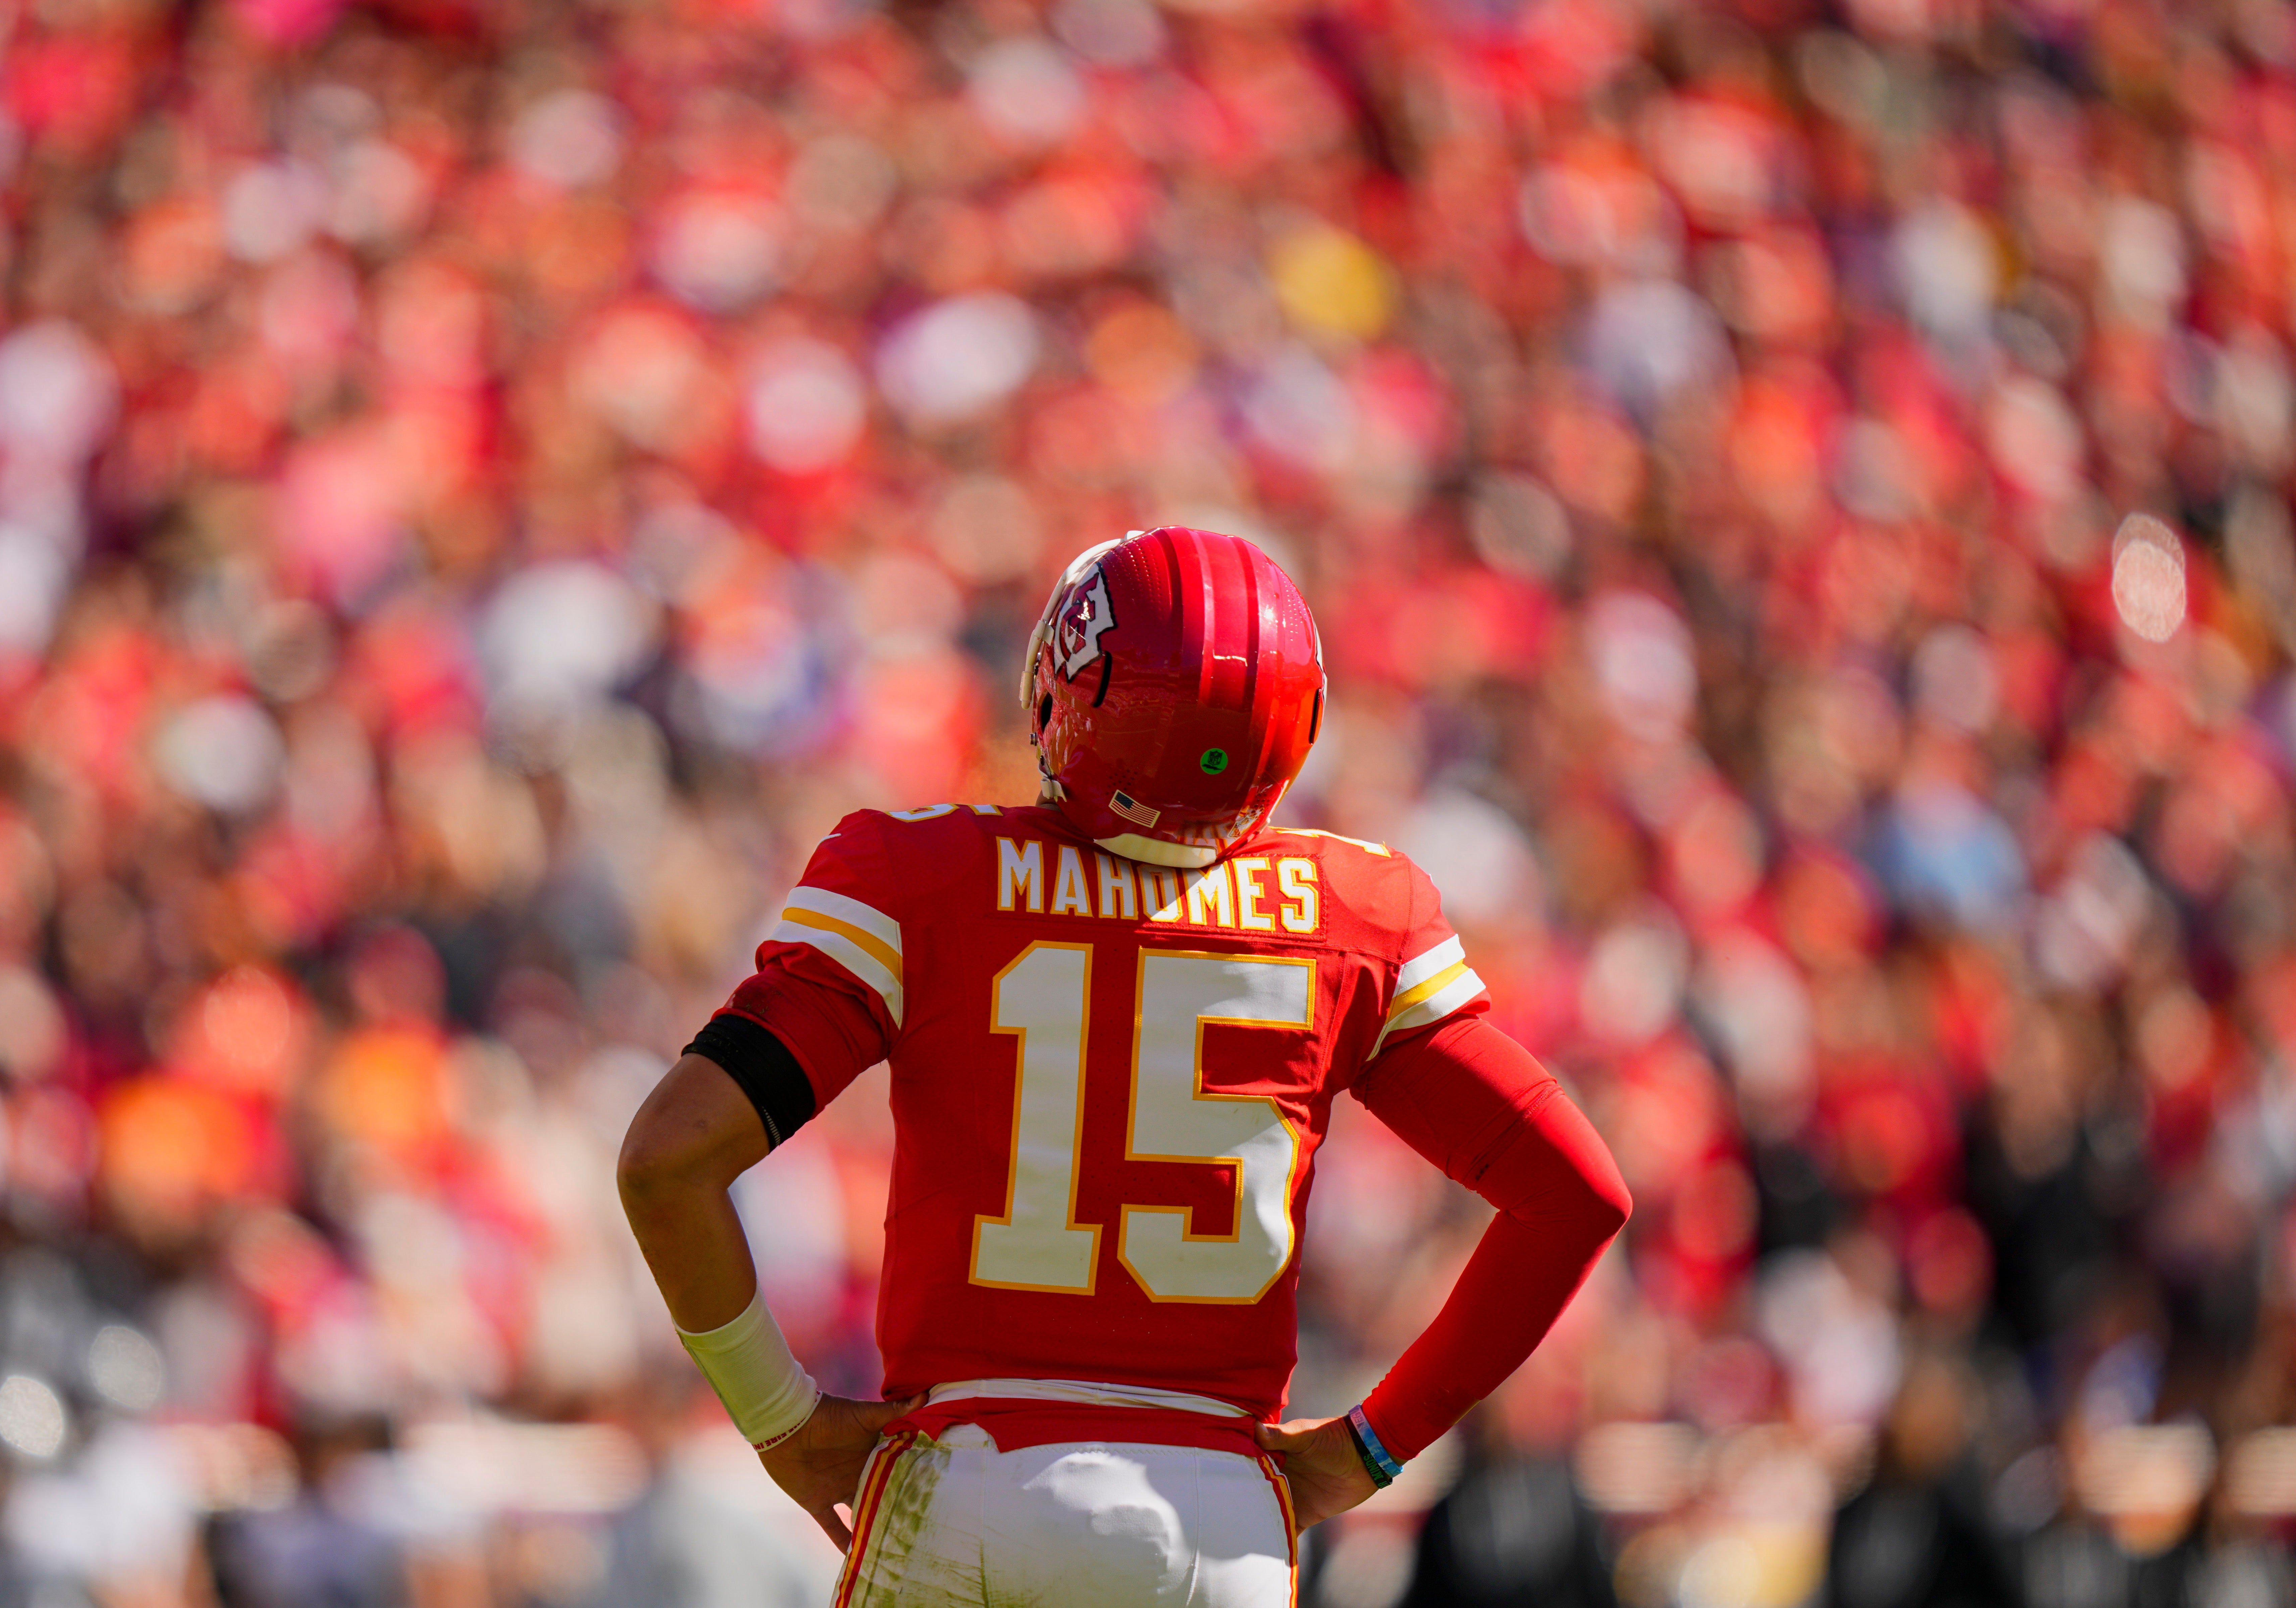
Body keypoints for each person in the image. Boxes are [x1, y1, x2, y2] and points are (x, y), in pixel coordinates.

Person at [618, 527, 1632, 1606]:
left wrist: (781, 1422)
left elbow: (667, 1162)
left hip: (969, 1487)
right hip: (1219, 1522)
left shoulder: (917, 874)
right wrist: (1371, 1447)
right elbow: (1575, 1195)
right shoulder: (1356, 916)